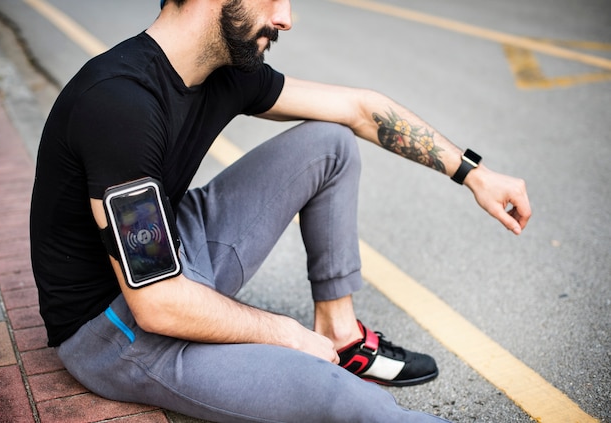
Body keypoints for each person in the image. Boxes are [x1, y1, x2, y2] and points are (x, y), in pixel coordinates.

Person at [29, 0, 531, 422]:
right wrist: (285, 334)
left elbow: (359, 110)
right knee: (332, 395)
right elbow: (157, 303)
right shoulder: (120, 104)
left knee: (329, 143)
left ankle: (341, 334)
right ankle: (326, 359)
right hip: (117, 329)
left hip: (173, 258)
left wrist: (473, 174)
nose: (286, 17)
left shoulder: (221, 74)